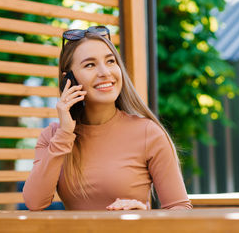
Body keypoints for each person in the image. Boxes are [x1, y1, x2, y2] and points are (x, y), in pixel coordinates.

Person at [22, 26, 192, 211]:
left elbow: (180, 208)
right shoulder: (52, 137)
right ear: (68, 80)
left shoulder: (148, 132)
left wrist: (144, 214)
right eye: (90, 64)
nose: (105, 72)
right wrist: (64, 134)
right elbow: (34, 202)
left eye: (110, 61)